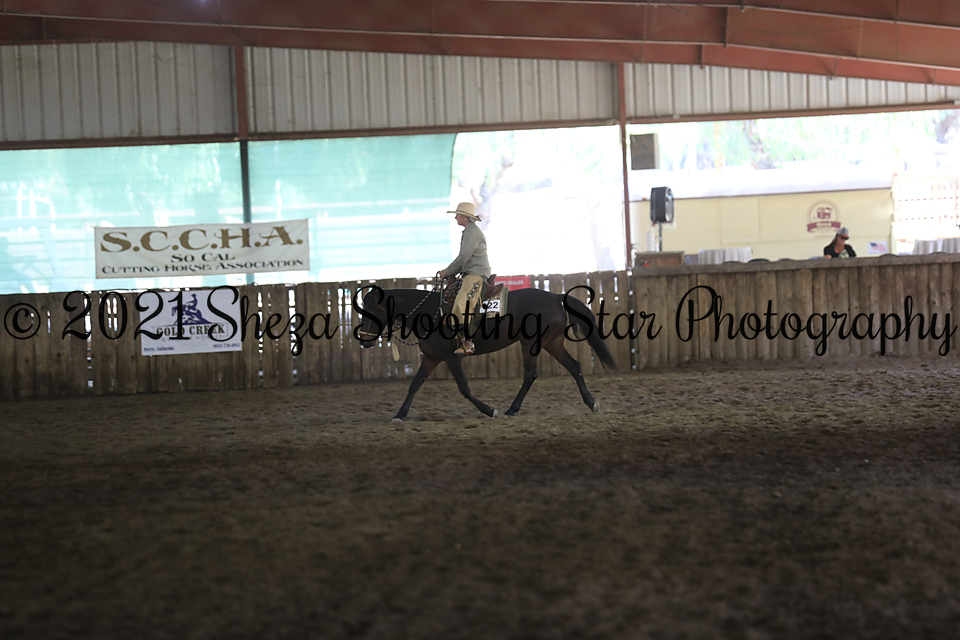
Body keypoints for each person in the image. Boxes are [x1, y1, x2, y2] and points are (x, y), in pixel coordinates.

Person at [438, 202, 491, 356]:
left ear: (465, 217)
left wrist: (448, 271)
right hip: (471, 273)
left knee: (462, 302)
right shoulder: (470, 231)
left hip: (475, 275)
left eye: (458, 215)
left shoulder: (471, 232)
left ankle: (468, 342)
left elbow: (463, 257)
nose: (456, 217)